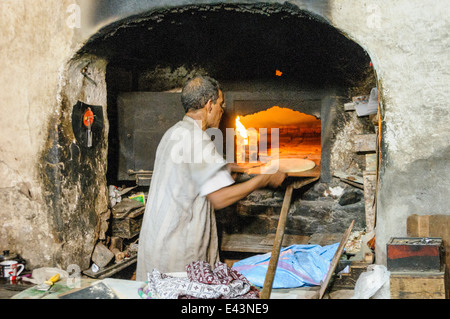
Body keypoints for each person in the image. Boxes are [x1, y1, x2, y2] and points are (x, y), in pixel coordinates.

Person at [136, 76, 286, 281]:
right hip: (177, 251)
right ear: (209, 105)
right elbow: (219, 198)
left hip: (156, 243)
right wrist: (263, 180)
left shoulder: (174, 132)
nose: (222, 111)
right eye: (220, 105)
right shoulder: (198, 140)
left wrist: (226, 166)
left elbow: (187, 171)